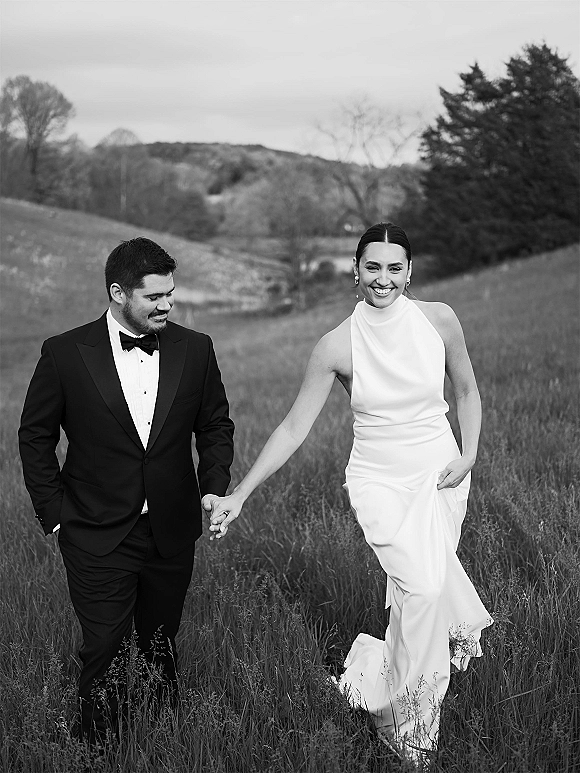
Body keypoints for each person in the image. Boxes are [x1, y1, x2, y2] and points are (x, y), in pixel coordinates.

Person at [208, 222, 492, 762]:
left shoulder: (440, 320)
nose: (383, 279)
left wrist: (469, 453)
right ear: (354, 272)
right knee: (427, 591)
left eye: (394, 267)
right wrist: (239, 495)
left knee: (416, 598)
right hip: (379, 482)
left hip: (441, 474)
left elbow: (467, 390)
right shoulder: (335, 346)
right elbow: (293, 428)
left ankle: (389, 690)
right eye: (372, 267)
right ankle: (411, 736)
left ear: (410, 272)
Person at [18, 237, 234, 745]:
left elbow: (216, 425)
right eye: (154, 297)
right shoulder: (65, 353)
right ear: (118, 292)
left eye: (171, 294)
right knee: (104, 645)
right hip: (92, 528)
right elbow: (35, 436)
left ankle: (163, 735)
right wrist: (54, 512)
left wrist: (213, 486)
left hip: (171, 528)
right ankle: (99, 747)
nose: (167, 305)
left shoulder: (196, 349)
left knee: (160, 641)